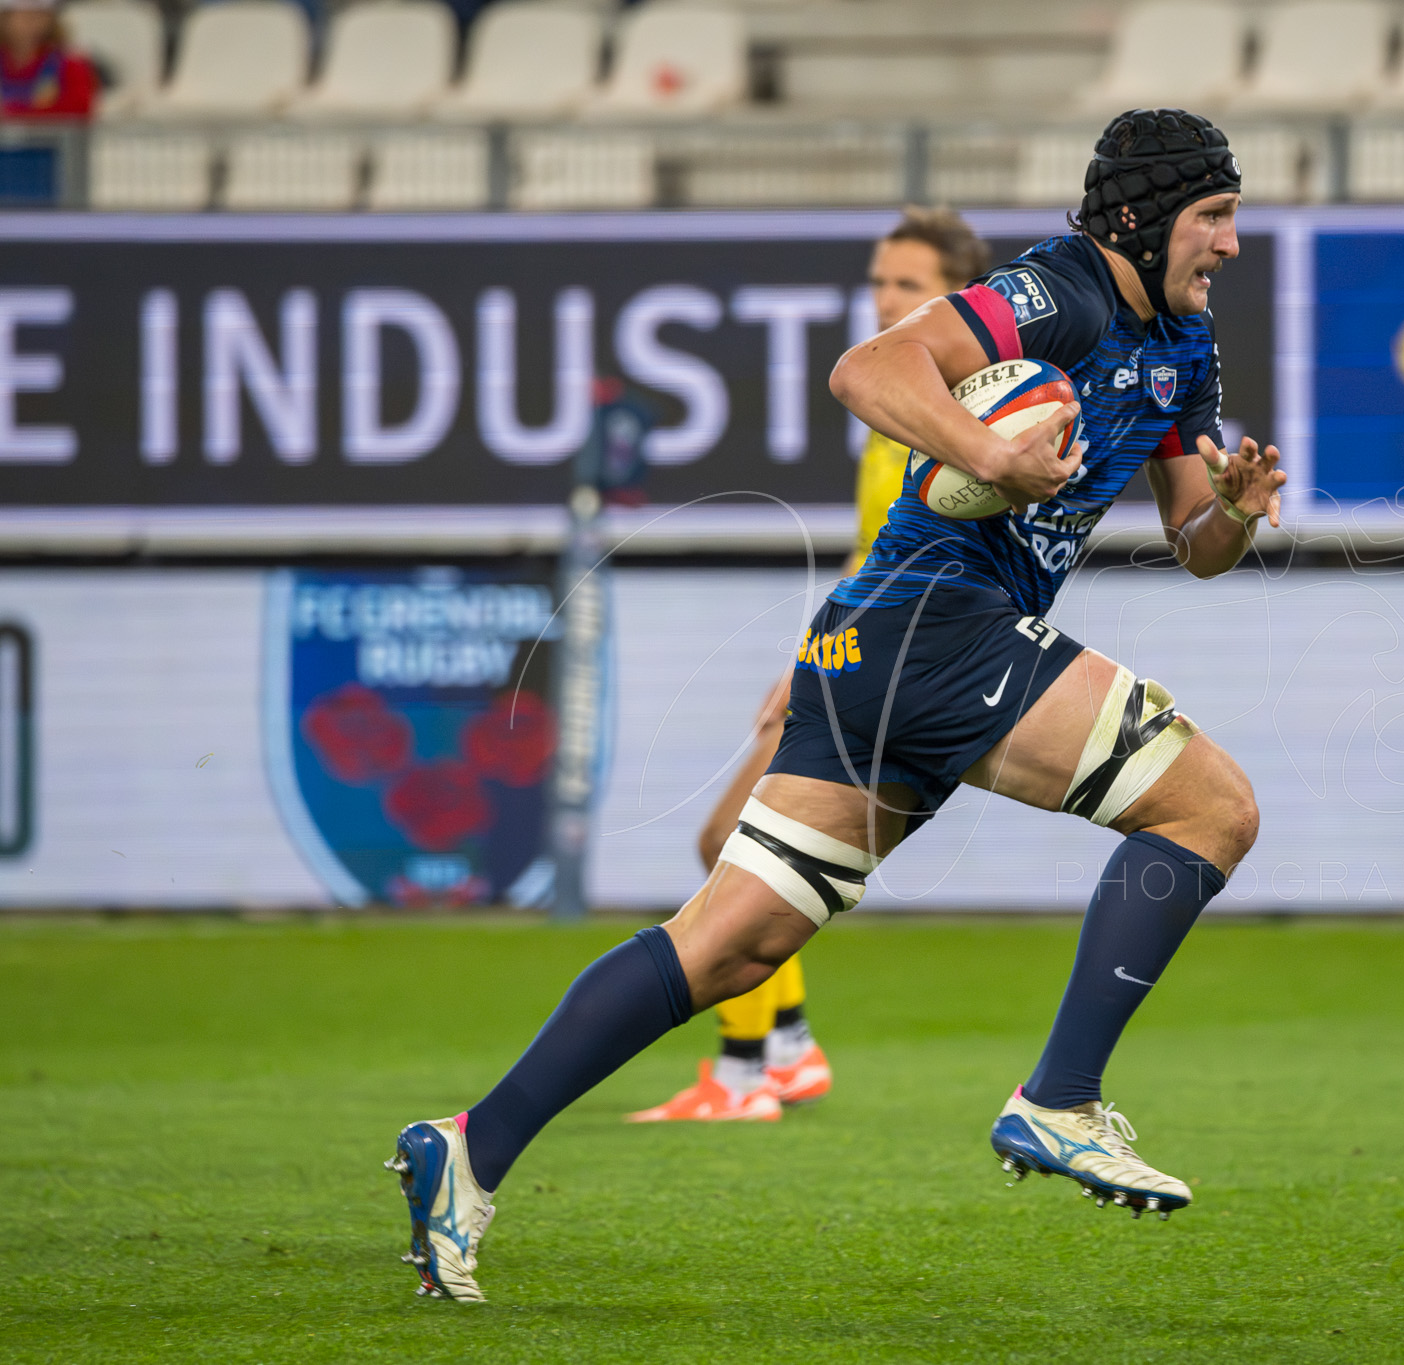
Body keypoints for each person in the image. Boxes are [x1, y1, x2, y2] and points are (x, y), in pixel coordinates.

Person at [384, 108, 1285, 1303]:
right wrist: (991, 450)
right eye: (1212, 216)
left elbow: (1192, 542)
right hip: (932, 624)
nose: (1229, 242)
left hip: (882, 648)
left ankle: (467, 1148)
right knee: (1209, 809)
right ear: (1143, 212)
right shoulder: (1055, 293)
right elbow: (866, 368)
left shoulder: (1185, 345)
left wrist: (1234, 506)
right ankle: (1060, 1098)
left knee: (728, 944)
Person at [624, 208, 992, 1125]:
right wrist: (812, 648)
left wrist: (830, 652)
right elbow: (874, 547)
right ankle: (778, 1054)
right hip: (860, 648)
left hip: (904, 663)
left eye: (908, 286)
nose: (884, 298)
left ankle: (752, 1068)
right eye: (878, 281)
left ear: (962, 299)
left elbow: (933, 559)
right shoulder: (893, 395)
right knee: (742, 849)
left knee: (729, 843)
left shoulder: (975, 405)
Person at [0, 0, 95, 121]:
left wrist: (12, 112)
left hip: (53, 139)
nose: (31, 22)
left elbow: (80, 108)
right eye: (23, 15)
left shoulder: (70, 63)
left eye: (39, 14)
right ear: (5, 18)